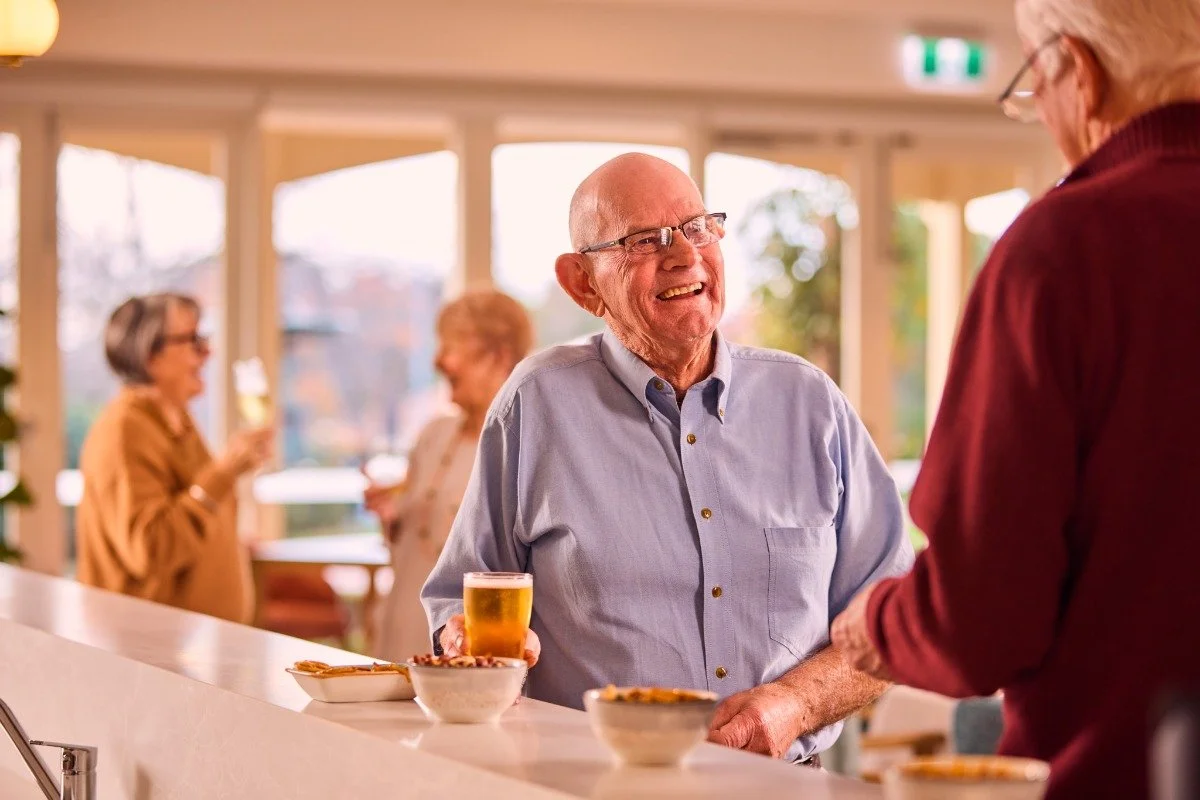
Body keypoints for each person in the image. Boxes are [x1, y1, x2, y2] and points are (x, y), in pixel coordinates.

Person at [422, 153, 913, 766]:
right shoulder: (535, 404)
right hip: (591, 784)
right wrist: (467, 639)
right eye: (644, 240)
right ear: (583, 283)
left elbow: (896, 616)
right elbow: (459, 600)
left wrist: (796, 704)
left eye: (697, 228)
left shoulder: (810, 405)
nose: (683, 255)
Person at [830, 1, 1200, 796]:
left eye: (1036, 80)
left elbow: (980, 624)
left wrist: (877, 626)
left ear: (1082, 74)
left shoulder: (1068, 248)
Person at [76, 293, 274, 623]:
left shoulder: (177, 421)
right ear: (149, 354)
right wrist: (223, 473)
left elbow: (192, 517)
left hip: (190, 650)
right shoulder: (125, 429)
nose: (207, 352)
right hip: (147, 656)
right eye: (193, 340)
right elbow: (150, 550)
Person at [364, 290, 533, 663]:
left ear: (498, 357)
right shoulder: (434, 435)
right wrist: (392, 517)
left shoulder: (526, 444)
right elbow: (415, 541)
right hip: (402, 626)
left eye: (450, 347)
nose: (438, 360)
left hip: (464, 650)